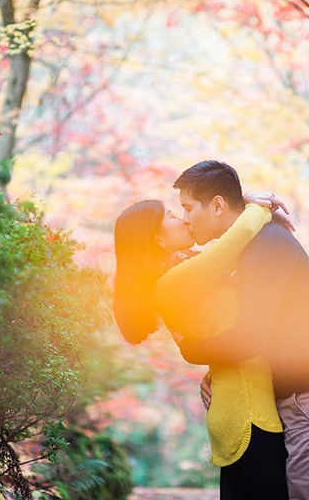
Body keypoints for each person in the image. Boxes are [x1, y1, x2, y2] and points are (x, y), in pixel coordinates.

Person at [174, 160, 309, 500]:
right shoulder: (252, 246)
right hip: (298, 400)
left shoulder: (267, 244)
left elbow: (248, 336)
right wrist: (220, 372)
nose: (184, 218)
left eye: (187, 208)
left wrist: (191, 349)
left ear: (216, 205)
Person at [113, 193, 291, 500]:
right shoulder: (176, 280)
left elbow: (209, 336)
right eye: (170, 216)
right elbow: (242, 233)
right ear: (156, 239)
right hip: (248, 411)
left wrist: (214, 366)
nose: (182, 219)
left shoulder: (184, 271)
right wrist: (252, 202)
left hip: (234, 405)